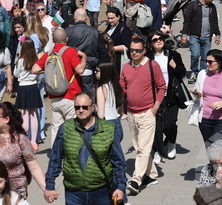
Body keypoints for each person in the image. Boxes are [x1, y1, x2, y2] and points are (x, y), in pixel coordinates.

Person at [42, 92, 126, 205]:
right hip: (74, 192)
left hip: (101, 192)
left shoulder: (108, 129)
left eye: (85, 107)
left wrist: (120, 187)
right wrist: (49, 185)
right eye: (77, 107)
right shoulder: (66, 128)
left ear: (93, 107)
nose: (81, 110)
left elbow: (119, 161)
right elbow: (55, 158)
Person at [0, 101, 47, 201]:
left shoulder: (21, 140)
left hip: (15, 191)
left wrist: (47, 189)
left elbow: (34, 168)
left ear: (6, 119)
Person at [119, 36, 165, 196]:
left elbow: (161, 87)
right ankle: (151, 175)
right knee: (140, 147)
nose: (134, 53)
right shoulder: (126, 67)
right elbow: (122, 87)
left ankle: (136, 180)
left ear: (144, 50)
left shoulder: (153, 65)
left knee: (143, 149)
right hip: (131, 113)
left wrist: (155, 107)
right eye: (132, 50)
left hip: (147, 113)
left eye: (137, 50)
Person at [32, 27, 86, 146]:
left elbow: (34, 69)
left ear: (53, 39)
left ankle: (55, 153)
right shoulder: (71, 51)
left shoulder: (49, 53)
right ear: (67, 39)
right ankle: (71, 152)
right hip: (71, 95)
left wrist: (47, 70)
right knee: (72, 127)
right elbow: (80, 70)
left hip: (55, 96)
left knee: (56, 127)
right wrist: (84, 58)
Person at [191, 49, 222, 146]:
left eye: (210, 62)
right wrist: (196, 94)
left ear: (219, 63)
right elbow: (196, 90)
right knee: (209, 148)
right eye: (206, 61)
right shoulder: (202, 74)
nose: (207, 64)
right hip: (204, 119)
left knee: (219, 149)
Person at [150, 31, 187, 162]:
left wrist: (174, 66)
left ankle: (171, 142)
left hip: (171, 95)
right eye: (155, 40)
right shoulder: (148, 57)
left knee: (170, 124)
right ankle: (158, 151)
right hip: (154, 97)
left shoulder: (173, 55)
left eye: (160, 38)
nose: (158, 41)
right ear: (151, 43)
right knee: (157, 126)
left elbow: (182, 72)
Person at [182, 0, 221, 84]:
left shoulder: (212, 7)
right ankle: (194, 72)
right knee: (195, 55)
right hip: (194, 36)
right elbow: (187, 21)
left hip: (207, 37)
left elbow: (215, 21)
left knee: (205, 57)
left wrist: (217, 34)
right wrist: (184, 34)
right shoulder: (193, 5)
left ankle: (202, 74)